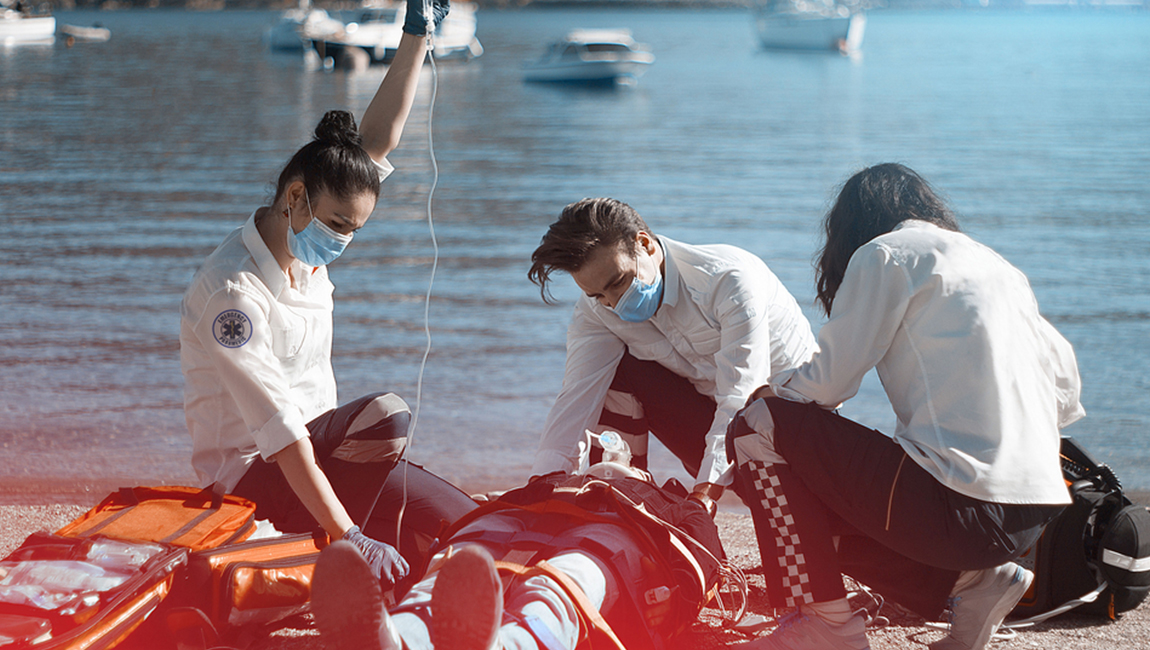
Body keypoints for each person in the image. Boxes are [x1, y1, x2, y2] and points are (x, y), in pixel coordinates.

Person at [179, 0, 474, 598]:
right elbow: (282, 433)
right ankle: (346, 567)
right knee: (388, 415)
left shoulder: (303, 250)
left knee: (467, 530)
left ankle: (407, 595)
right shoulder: (233, 293)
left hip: (331, 461)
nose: (342, 240)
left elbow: (377, 140)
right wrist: (346, 534)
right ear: (296, 196)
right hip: (256, 481)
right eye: (338, 223)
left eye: (355, 230)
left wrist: (417, 32)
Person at [727, 164, 1084, 650]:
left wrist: (769, 396)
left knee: (754, 428)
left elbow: (827, 385)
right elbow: (1067, 389)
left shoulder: (884, 254)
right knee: (811, 482)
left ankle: (827, 624)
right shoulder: (998, 267)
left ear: (852, 226)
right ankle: (976, 582)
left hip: (961, 512)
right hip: (1034, 516)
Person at [526, 197, 817, 513]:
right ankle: (617, 503)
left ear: (645, 245)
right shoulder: (597, 311)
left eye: (619, 282)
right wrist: (542, 484)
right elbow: (577, 397)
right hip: (714, 421)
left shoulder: (728, 281)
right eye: (598, 295)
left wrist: (703, 496)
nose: (614, 304)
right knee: (613, 372)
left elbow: (739, 398)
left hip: (793, 427)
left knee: (840, 547)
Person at [309, 467, 729, 650]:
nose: (612, 465)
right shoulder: (551, 483)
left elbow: (703, 556)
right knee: (465, 567)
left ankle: (404, 636)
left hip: (614, 528)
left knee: (563, 577)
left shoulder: (664, 501)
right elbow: (707, 561)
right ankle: (396, 636)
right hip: (525, 517)